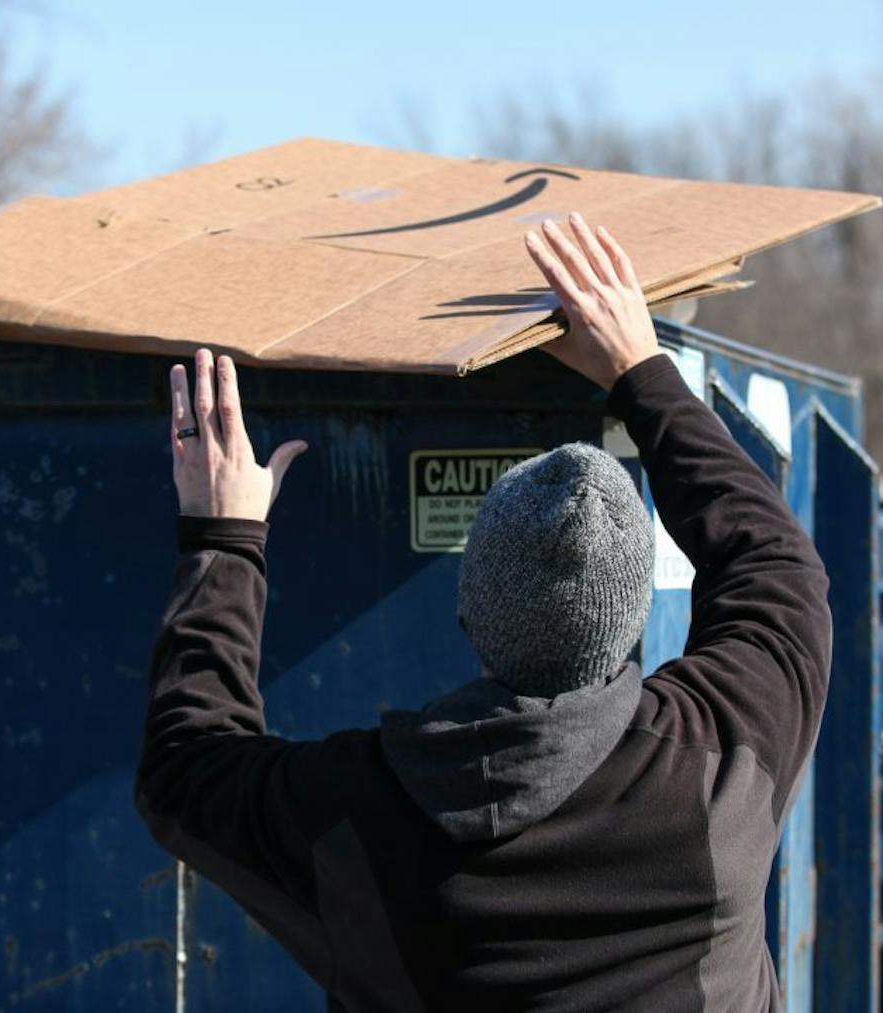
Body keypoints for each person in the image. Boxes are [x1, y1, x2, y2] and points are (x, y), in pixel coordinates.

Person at [135, 213, 832, 1012]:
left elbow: (183, 771)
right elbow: (777, 566)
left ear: (466, 612)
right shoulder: (717, 770)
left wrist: (224, 535)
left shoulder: (359, 815)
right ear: (635, 613)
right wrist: (641, 371)